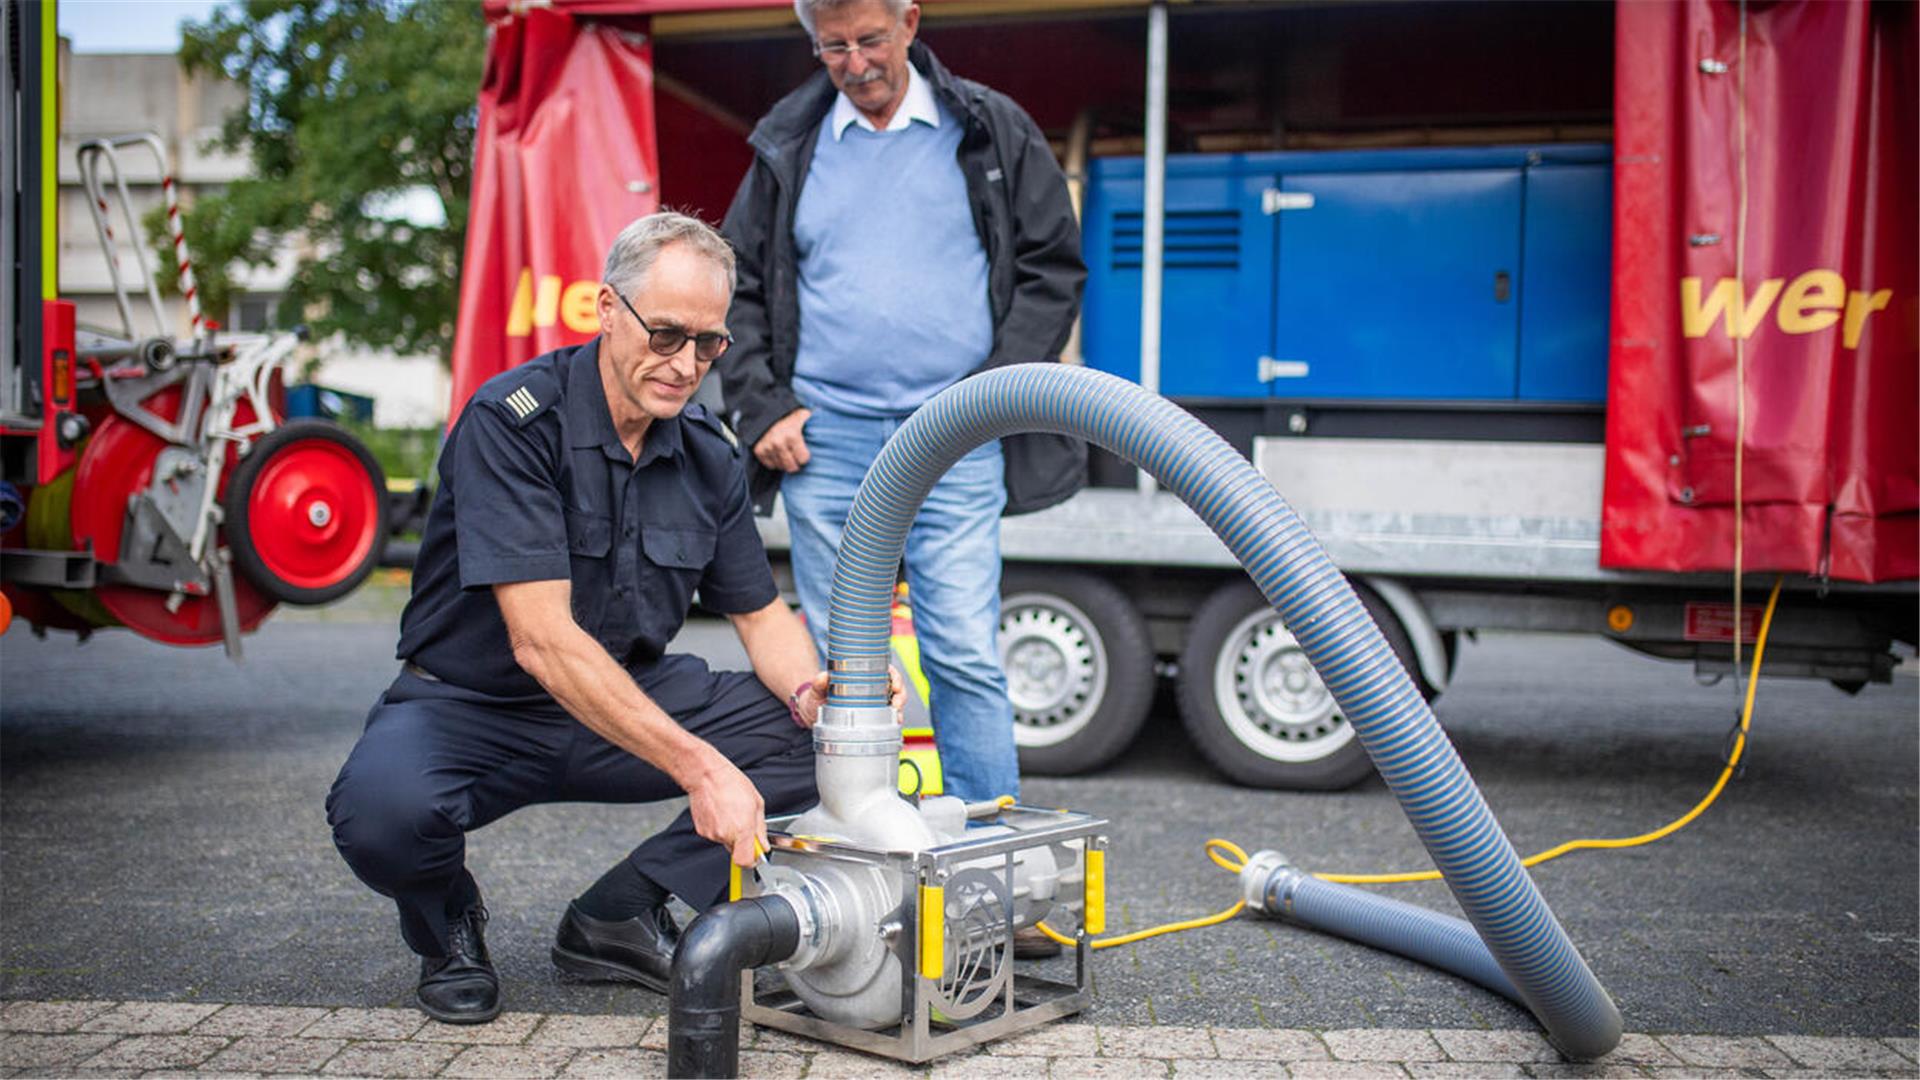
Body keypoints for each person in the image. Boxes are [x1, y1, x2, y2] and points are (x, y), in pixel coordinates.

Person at [326, 212, 855, 1025]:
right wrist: (703, 769)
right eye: (667, 333)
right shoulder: (513, 424)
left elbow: (761, 616)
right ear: (606, 308)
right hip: (477, 706)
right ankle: (447, 926)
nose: (685, 366)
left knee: (822, 737)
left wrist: (819, 692)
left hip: (624, 697)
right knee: (383, 812)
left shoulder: (708, 454)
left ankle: (619, 913)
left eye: (708, 344)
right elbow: (541, 641)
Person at [720, 0, 1086, 819]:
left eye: (871, 41)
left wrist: (989, 395)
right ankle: (860, 849)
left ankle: (994, 869)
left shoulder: (990, 129)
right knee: (840, 659)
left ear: (911, 24)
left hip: (953, 437)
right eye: (833, 47)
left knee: (960, 647)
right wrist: (764, 407)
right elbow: (735, 283)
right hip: (825, 440)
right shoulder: (790, 142)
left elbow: (1052, 269)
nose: (855, 64)